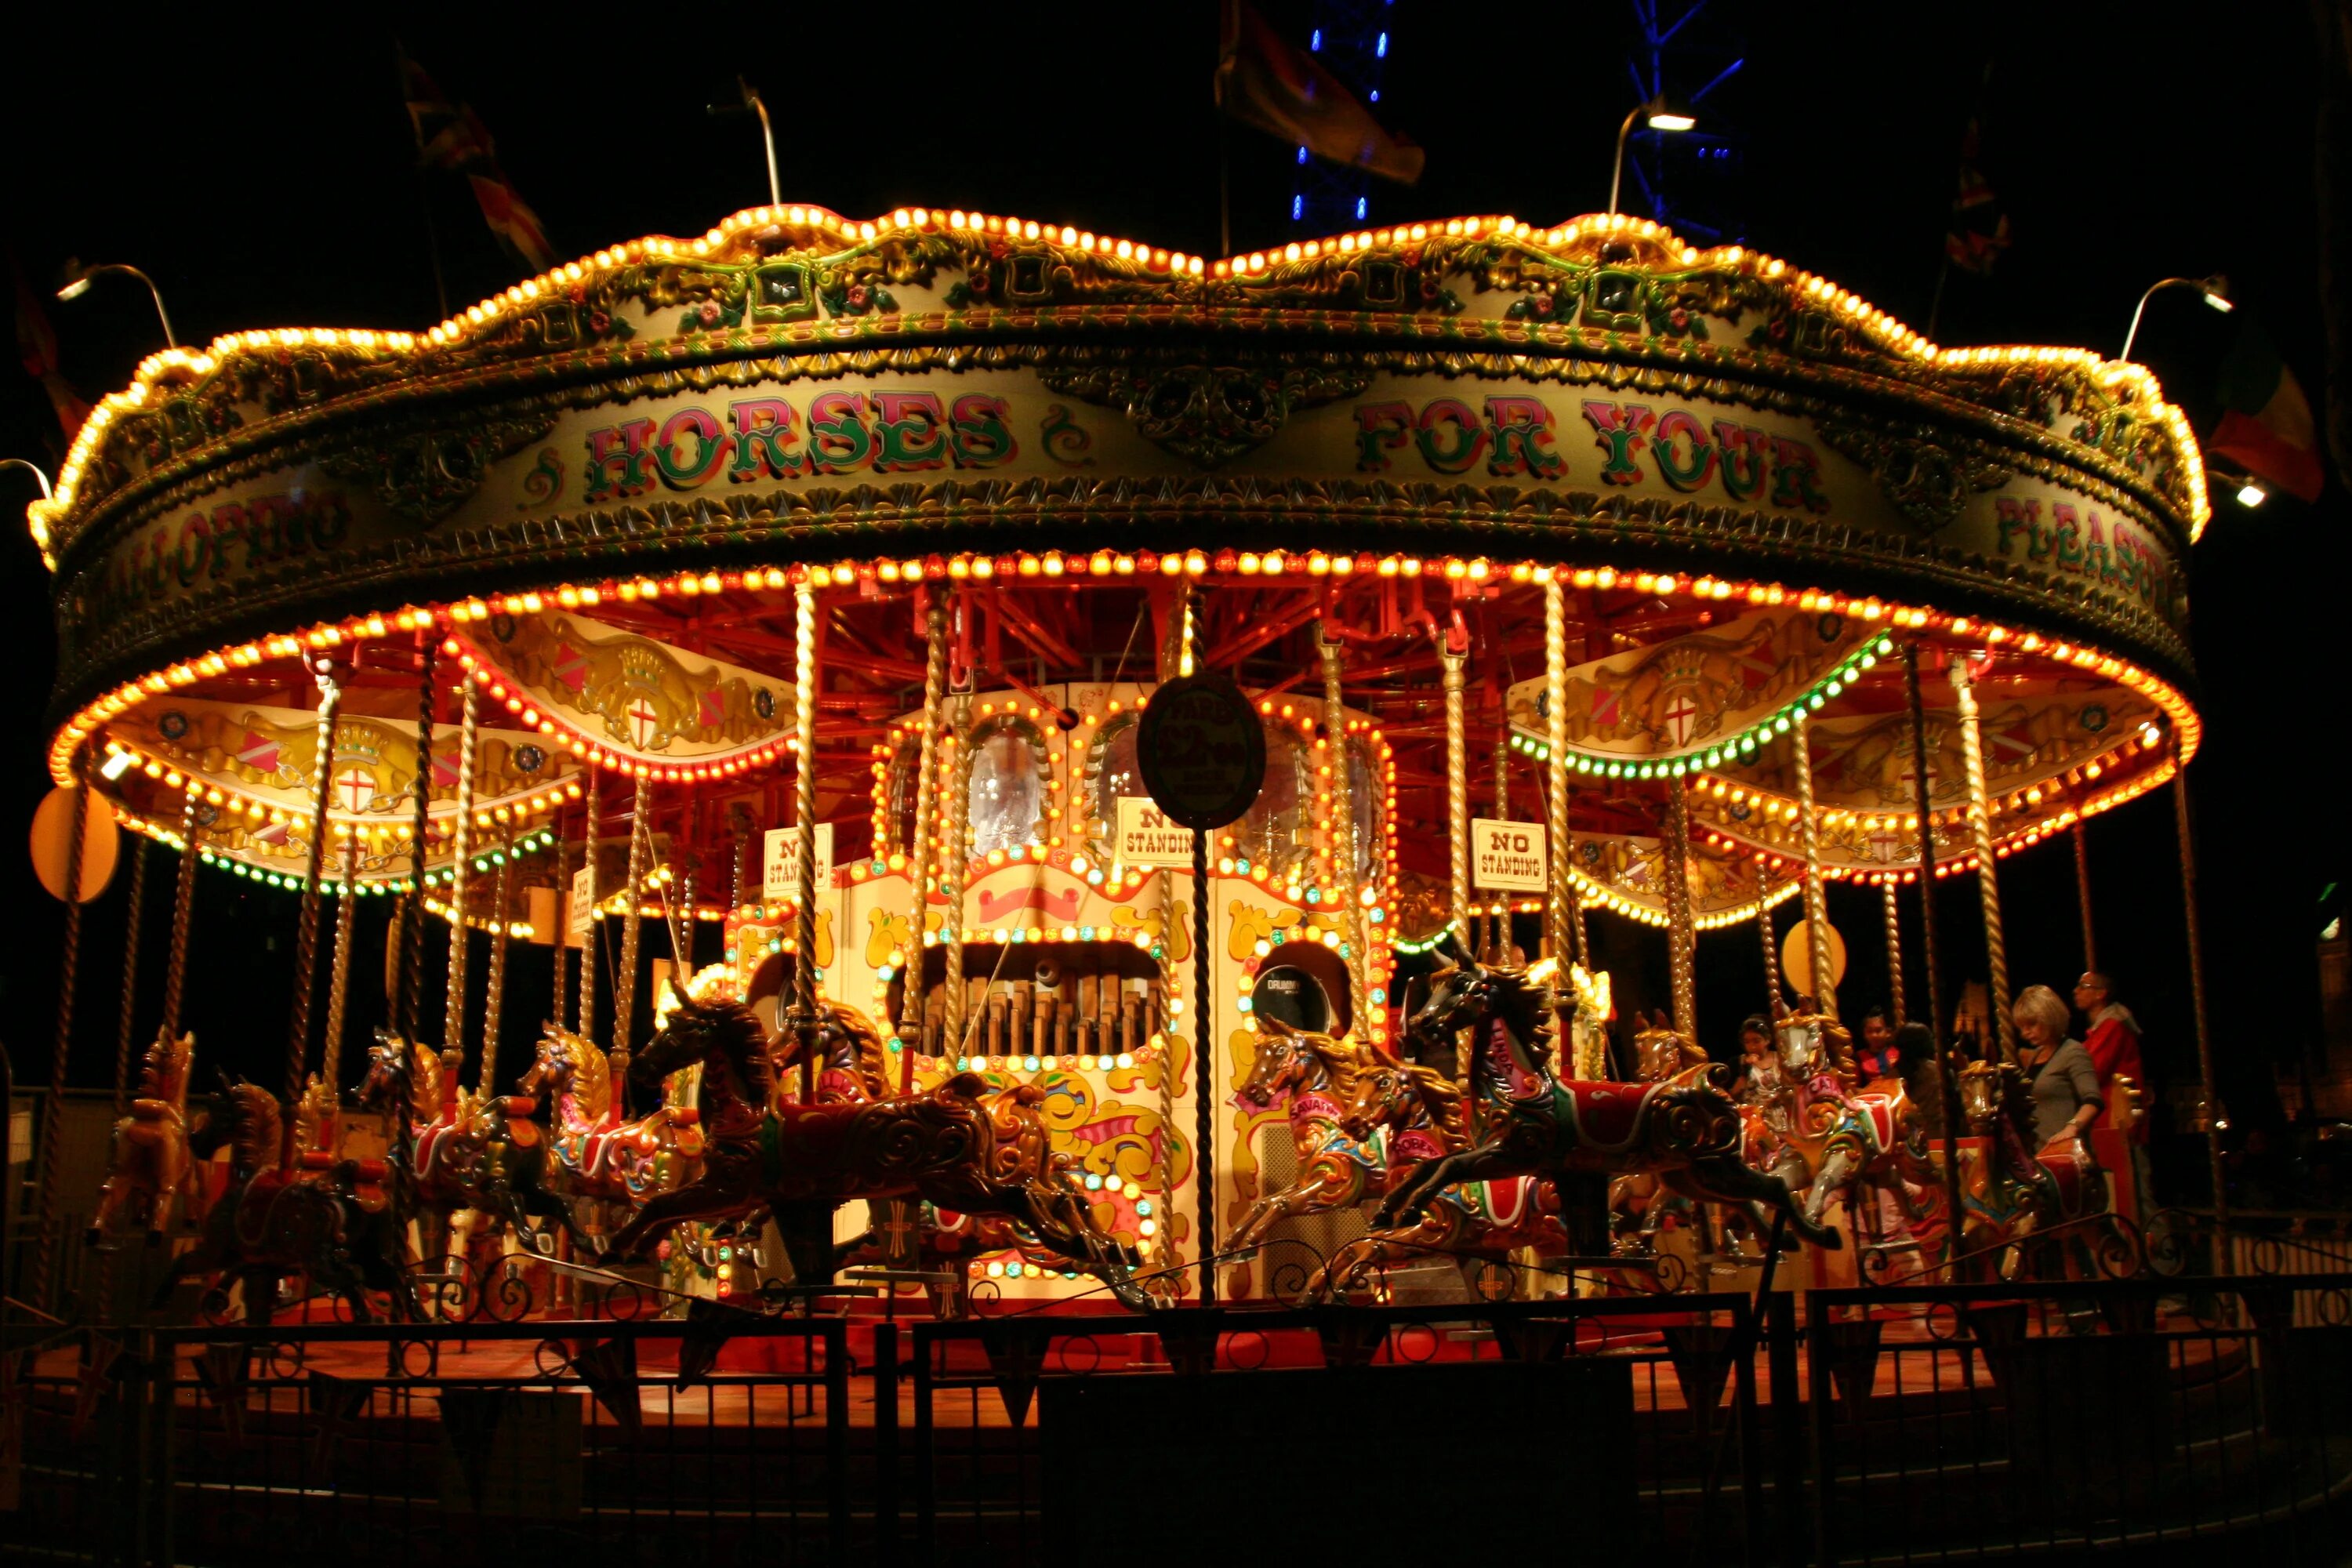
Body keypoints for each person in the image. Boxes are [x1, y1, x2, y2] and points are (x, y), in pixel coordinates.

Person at [2010, 985, 2103, 1155]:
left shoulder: (2072, 1051)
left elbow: (2093, 1101)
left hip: (2065, 1151)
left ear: (2049, 1018)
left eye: (2031, 1024)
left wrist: (2072, 1128)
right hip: (2040, 1150)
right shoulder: (2037, 1055)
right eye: (2022, 1027)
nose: (2025, 1033)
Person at [2072, 973, 2147, 1145]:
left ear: (2100, 994)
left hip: (2115, 1115)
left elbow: (2092, 1070)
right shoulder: (2100, 1029)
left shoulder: (2112, 1027)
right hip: (2109, 1115)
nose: (2076, 991)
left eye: (2084, 986)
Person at [1857, 1004, 1901, 1082]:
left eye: (1878, 1031)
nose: (1874, 1035)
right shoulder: (1859, 1058)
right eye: (1869, 1031)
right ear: (1864, 1034)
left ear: (1888, 1032)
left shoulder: (1898, 1053)